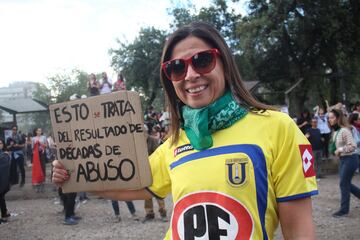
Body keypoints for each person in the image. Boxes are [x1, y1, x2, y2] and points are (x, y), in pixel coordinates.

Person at [53, 22, 318, 239]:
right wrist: (74, 174)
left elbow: (298, 229)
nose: (190, 74)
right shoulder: (174, 142)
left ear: (224, 63)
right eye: (177, 68)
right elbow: (136, 186)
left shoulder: (278, 128)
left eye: (202, 61)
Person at [328, 109, 360, 217]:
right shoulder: (336, 131)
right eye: (329, 117)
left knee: (343, 183)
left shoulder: (345, 130)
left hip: (351, 159)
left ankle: (344, 210)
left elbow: (353, 145)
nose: (329, 120)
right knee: (346, 183)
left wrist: (340, 149)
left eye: (332, 117)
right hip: (344, 159)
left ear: (338, 118)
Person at [142, 125, 167, 223]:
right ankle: (149, 213)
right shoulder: (138, 142)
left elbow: (158, 155)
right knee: (146, 194)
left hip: (155, 170)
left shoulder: (153, 140)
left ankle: (163, 212)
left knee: (158, 192)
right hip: (145, 171)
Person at [32, 128, 47, 192]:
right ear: (36, 132)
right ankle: (37, 183)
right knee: (37, 168)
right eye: (38, 131)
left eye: (40, 131)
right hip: (36, 155)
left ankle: (43, 182)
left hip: (42, 154)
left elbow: (46, 145)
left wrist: (41, 143)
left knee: (43, 167)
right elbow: (32, 147)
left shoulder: (44, 137)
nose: (39, 132)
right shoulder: (33, 138)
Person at [0, 139, 11, 224]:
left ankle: (3, 214)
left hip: (2, 180)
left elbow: (5, 169)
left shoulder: (5, 155)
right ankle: (4, 213)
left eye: (0, 143)